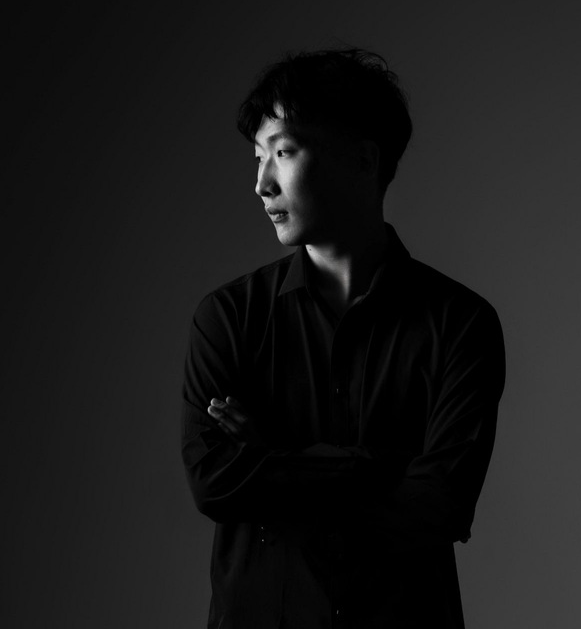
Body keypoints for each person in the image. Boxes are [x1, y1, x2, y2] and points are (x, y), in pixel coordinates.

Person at [181, 48, 506, 629]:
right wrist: (380, 468)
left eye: (283, 152)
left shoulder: (460, 323)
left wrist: (273, 457)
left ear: (363, 158)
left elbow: (440, 505)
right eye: (258, 157)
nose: (261, 184)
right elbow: (215, 484)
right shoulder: (228, 318)